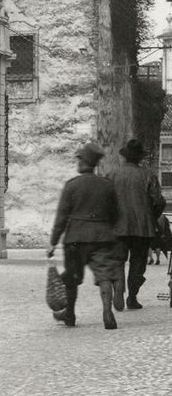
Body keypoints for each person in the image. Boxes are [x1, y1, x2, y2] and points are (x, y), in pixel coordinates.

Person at [49, 142, 123, 329]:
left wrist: (53, 242)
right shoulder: (107, 185)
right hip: (102, 237)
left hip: (76, 238)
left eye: (79, 159)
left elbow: (62, 217)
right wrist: (107, 228)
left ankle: (70, 315)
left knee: (72, 278)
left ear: (83, 162)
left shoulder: (71, 186)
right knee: (105, 275)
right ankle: (107, 312)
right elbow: (115, 214)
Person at [111, 139, 164, 309]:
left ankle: (118, 290)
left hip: (118, 226)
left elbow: (106, 201)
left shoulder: (113, 175)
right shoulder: (148, 175)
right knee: (138, 262)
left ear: (125, 157)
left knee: (118, 261)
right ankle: (132, 297)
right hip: (143, 227)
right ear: (139, 158)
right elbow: (159, 201)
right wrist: (151, 216)